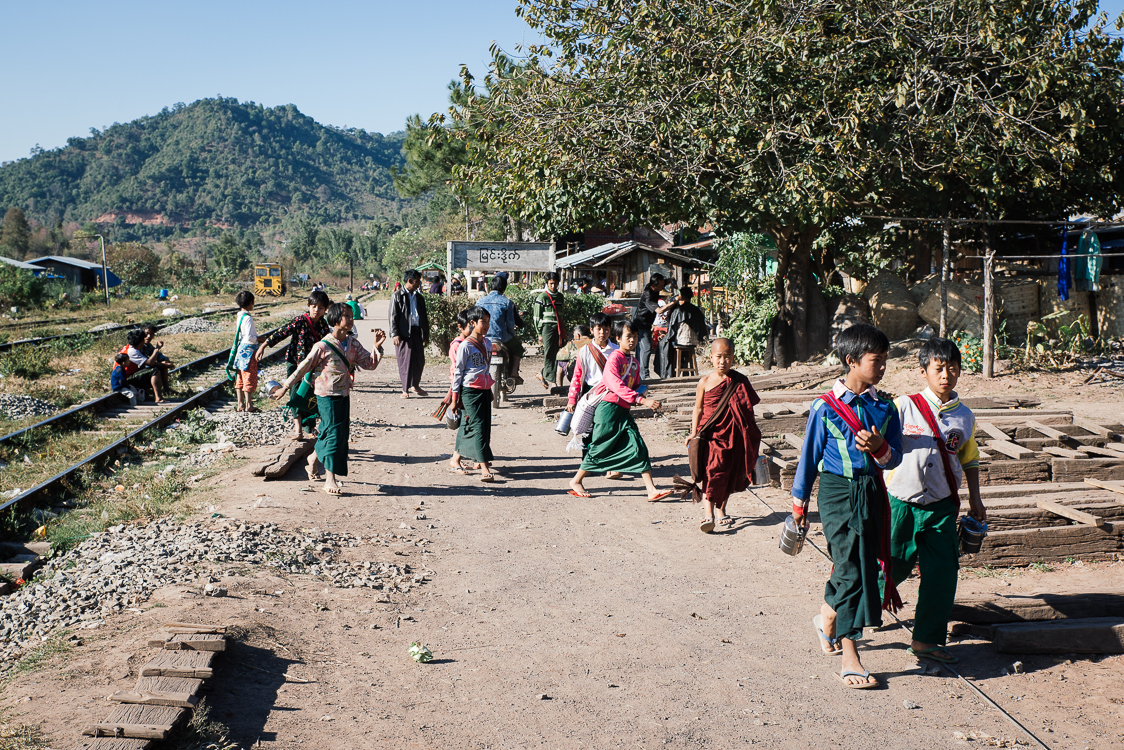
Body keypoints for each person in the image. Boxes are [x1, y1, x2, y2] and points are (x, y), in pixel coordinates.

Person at [791, 323, 903, 689]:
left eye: (886, 359)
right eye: (876, 360)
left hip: (873, 492)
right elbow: (808, 458)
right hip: (837, 494)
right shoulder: (825, 408)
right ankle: (851, 654)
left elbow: (894, 459)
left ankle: (827, 612)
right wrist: (799, 505)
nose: (883, 366)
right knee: (852, 569)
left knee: (860, 564)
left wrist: (880, 449)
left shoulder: (886, 407)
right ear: (851, 360)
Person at [883, 337, 986, 664]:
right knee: (892, 564)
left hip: (942, 505)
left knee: (942, 572)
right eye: (939, 369)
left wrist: (976, 498)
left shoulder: (965, 417)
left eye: (952, 369)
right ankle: (848, 614)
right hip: (900, 502)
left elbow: (969, 458)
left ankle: (927, 640)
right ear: (924, 371)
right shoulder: (903, 407)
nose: (946, 376)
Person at [272, 304, 385, 495]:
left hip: (343, 395)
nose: (351, 320)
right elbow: (303, 367)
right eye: (347, 316)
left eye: (351, 316)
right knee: (334, 436)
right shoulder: (322, 346)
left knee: (333, 432)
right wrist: (285, 386)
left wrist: (376, 347)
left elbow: (369, 364)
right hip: (325, 396)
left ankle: (313, 458)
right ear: (335, 320)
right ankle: (330, 479)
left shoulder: (353, 344)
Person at [567, 319, 673, 502]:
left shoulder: (633, 362)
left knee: (638, 446)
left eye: (635, 337)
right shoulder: (614, 358)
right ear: (619, 338)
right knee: (600, 446)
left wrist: (642, 394)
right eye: (628, 337)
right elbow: (614, 384)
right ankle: (576, 481)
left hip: (623, 410)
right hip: (608, 409)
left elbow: (636, 384)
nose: (632, 340)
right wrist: (641, 400)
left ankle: (651, 489)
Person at [678, 338, 762, 532]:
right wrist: (693, 433)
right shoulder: (705, 382)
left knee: (730, 472)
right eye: (718, 357)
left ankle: (721, 510)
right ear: (711, 357)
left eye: (727, 357)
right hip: (710, 436)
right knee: (711, 471)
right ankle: (708, 514)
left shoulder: (740, 381)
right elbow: (698, 409)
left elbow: (747, 410)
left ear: (733, 358)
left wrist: (749, 434)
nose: (722, 361)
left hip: (734, 436)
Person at [257, 290, 331, 438]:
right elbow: (282, 332)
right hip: (295, 363)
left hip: (313, 365)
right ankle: (297, 428)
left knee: (310, 394)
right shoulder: (300, 321)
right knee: (295, 392)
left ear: (325, 309)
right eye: (314, 306)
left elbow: (328, 344)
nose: (317, 310)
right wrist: (264, 345)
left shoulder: (324, 325)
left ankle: (310, 427)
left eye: (321, 307)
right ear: (308, 306)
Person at [451, 306, 497, 482]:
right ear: (472, 323)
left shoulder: (487, 343)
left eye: (487, 321)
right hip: (470, 391)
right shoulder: (465, 346)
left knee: (484, 427)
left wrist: (490, 390)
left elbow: (486, 369)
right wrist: (455, 399)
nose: (486, 325)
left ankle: (458, 458)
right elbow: (458, 373)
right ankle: (484, 467)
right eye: (482, 321)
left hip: (484, 390)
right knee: (478, 426)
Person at [389, 269, 429, 398]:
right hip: (403, 333)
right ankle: (405, 389)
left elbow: (424, 317)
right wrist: (394, 333)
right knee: (405, 361)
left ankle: (415, 386)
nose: (419, 284)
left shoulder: (419, 297)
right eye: (417, 282)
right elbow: (392, 316)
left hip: (417, 331)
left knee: (419, 360)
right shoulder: (397, 296)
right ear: (410, 281)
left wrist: (426, 335)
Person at [477, 274, 524, 384]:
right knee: (518, 348)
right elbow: (510, 324)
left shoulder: (480, 301)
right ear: (503, 289)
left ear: (491, 286)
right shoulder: (507, 302)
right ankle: (514, 373)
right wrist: (513, 335)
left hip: (482, 337)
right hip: (502, 338)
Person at [632, 274, 677, 380]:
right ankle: (645, 376)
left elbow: (668, 280)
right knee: (646, 348)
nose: (663, 287)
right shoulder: (648, 295)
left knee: (640, 350)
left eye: (663, 284)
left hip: (647, 323)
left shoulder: (658, 284)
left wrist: (672, 282)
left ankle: (638, 375)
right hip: (641, 323)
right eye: (661, 285)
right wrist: (673, 302)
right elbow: (659, 310)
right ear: (654, 285)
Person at [658, 287, 709, 379]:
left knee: (665, 345)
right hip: (694, 342)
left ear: (681, 296)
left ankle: (672, 374)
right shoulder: (697, 310)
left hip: (681, 341)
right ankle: (685, 367)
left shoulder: (679, 310)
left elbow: (672, 329)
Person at [226, 290, 259, 413]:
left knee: (239, 376)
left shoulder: (240, 315)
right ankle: (249, 405)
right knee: (249, 375)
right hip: (248, 350)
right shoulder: (248, 318)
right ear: (251, 302)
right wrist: (259, 339)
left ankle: (240, 404)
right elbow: (250, 337)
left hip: (240, 349)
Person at [533, 272, 565, 390]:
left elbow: (561, 314)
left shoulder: (560, 297)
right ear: (547, 283)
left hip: (558, 328)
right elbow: (536, 317)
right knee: (549, 354)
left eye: (555, 283)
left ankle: (543, 373)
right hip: (547, 328)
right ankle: (553, 381)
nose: (553, 286)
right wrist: (539, 333)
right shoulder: (542, 297)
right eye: (551, 283)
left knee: (558, 353)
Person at [126, 328, 169, 404]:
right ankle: (158, 398)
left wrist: (163, 363)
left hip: (130, 375)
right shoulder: (132, 351)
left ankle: (158, 391)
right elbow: (150, 363)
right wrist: (157, 349)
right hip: (127, 380)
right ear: (141, 342)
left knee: (155, 368)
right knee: (154, 370)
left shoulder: (134, 348)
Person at [141, 324, 175, 397]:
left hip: (144, 370)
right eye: (147, 334)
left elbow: (160, 356)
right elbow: (148, 363)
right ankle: (158, 396)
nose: (149, 336)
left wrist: (165, 359)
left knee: (163, 364)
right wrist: (162, 364)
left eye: (152, 334)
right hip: (137, 372)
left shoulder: (148, 345)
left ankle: (166, 389)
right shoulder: (139, 345)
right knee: (157, 368)